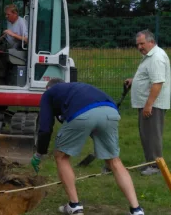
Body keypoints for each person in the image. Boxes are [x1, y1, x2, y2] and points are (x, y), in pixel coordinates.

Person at [31, 78, 144, 215]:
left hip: (82, 113)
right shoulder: (77, 88)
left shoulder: (49, 94)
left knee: (61, 156)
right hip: (110, 111)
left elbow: (45, 128)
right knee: (114, 160)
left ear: (48, 88)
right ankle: (136, 210)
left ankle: (74, 206)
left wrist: (39, 153)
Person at [124, 29, 170, 176]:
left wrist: (148, 105)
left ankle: (156, 166)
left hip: (152, 104)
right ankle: (150, 163)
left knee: (152, 135)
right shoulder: (150, 55)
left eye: (142, 44)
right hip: (149, 104)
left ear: (151, 41)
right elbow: (149, 77)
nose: (139, 47)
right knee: (146, 134)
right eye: (137, 44)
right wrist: (134, 81)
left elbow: (157, 83)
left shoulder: (156, 57)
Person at [0, 4, 28, 85]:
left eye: (8, 14)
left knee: (1, 54)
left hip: (19, 49)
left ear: (15, 14)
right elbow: (7, 33)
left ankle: (0, 79)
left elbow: (27, 40)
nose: (6, 16)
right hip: (9, 47)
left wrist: (13, 34)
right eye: (6, 14)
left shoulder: (22, 23)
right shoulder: (10, 22)